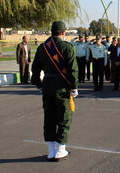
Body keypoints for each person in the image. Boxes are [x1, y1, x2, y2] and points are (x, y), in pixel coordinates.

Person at [31, 21, 78, 161]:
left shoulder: (42, 48)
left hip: (47, 87)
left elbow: (35, 69)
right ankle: (61, 150)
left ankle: (51, 151)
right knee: (64, 118)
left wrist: (38, 84)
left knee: (49, 118)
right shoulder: (67, 47)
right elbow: (73, 70)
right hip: (62, 87)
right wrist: (74, 87)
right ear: (63, 32)